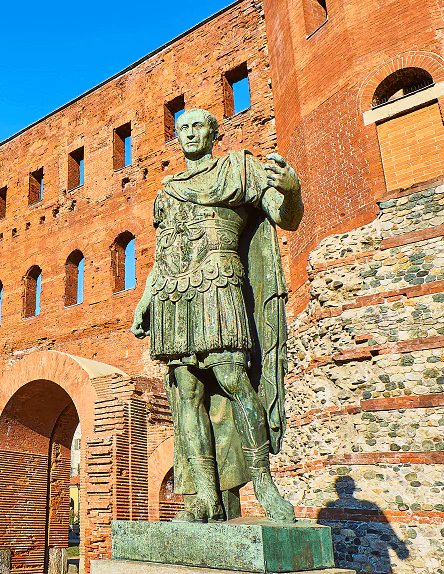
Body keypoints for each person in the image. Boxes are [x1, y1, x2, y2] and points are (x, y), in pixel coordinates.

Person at [132, 108, 303, 523]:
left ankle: (263, 482)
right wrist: (145, 299)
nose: (189, 135)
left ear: (213, 133)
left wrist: (293, 190)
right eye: (182, 129)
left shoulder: (238, 169)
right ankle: (206, 494)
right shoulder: (167, 190)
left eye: (197, 127)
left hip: (219, 282)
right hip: (175, 292)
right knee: (186, 396)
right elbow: (164, 251)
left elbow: (285, 217)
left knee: (236, 383)